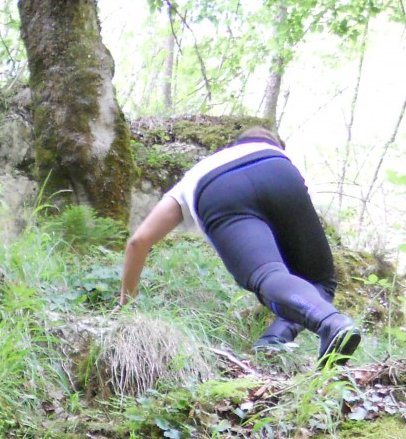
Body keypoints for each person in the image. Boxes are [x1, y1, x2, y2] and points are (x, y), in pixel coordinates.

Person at [120, 126, 361, 367]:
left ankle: (321, 327)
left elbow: (138, 241)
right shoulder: (271, 152)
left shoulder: (198, 172)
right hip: (279, 170)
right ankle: (277, 341)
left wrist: (126, 303)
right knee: (319, 281)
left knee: (268, 275)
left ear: (234, 146)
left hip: (216, 186)